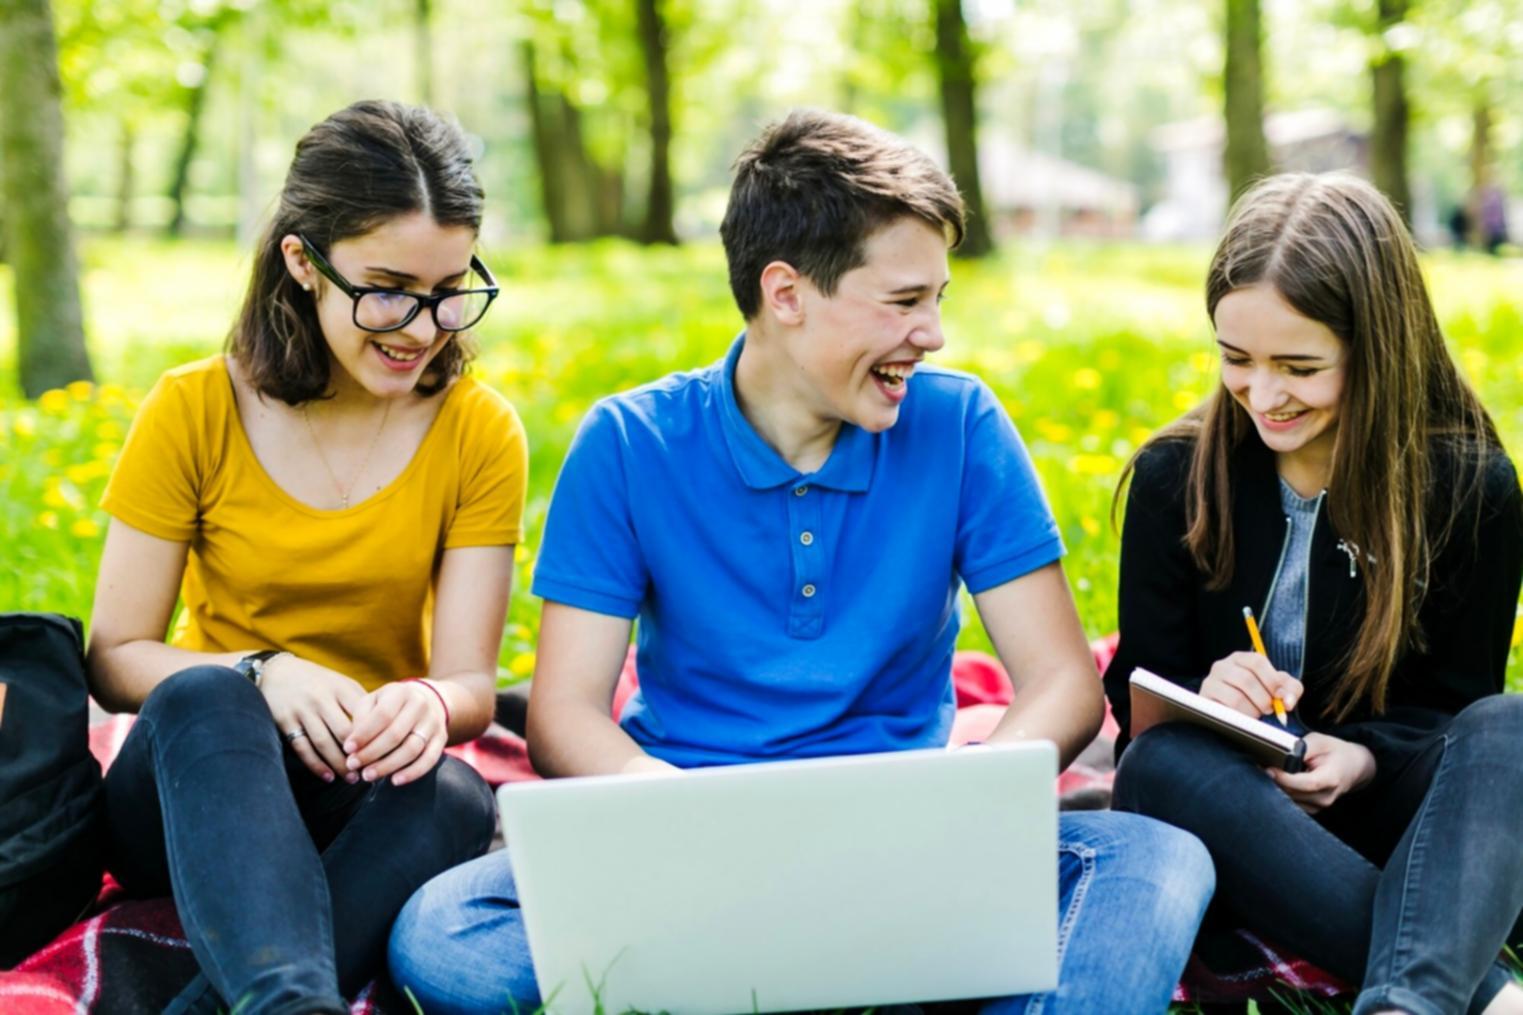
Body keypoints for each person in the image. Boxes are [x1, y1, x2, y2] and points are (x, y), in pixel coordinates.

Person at [388, 109, 1213, 1015]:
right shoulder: (629, 442)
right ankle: (874, 978)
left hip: (910, 842)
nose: (931, 333)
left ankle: (778, 978)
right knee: (444, 935)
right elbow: (563, 715)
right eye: (903, 302)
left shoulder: (960, 425)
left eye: (937, 298)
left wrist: (961, 796)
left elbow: (1061, 681)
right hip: (691, 845)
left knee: (1158, 859)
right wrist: (688, 817)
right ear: (786, 293)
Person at [85, 100, 526, 1014]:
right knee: (205, 691)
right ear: (302, 261)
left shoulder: (479, 430)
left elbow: (471, 689)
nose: (423, 325)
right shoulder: (192, 409)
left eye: (451, 288)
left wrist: (429, 700)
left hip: (358, 781)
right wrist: (261, 672)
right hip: (200, 780)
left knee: (452, 790)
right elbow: (116, 655)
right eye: (390, 286)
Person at [1106, 172, 1523, 1015]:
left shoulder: (1467, 485)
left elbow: (1454, 709)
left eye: (1298, 366)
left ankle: (1407, 1002)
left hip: (1391, 816)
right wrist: (1203, 693)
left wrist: (1363, 757)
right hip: (1232, 817)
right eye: (1235, 359)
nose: (1262, 393)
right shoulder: (1173, 478)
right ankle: (1476, 996)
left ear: (1377, 348)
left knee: (1510, 727)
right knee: (1159, 760)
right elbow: (1136, 698)